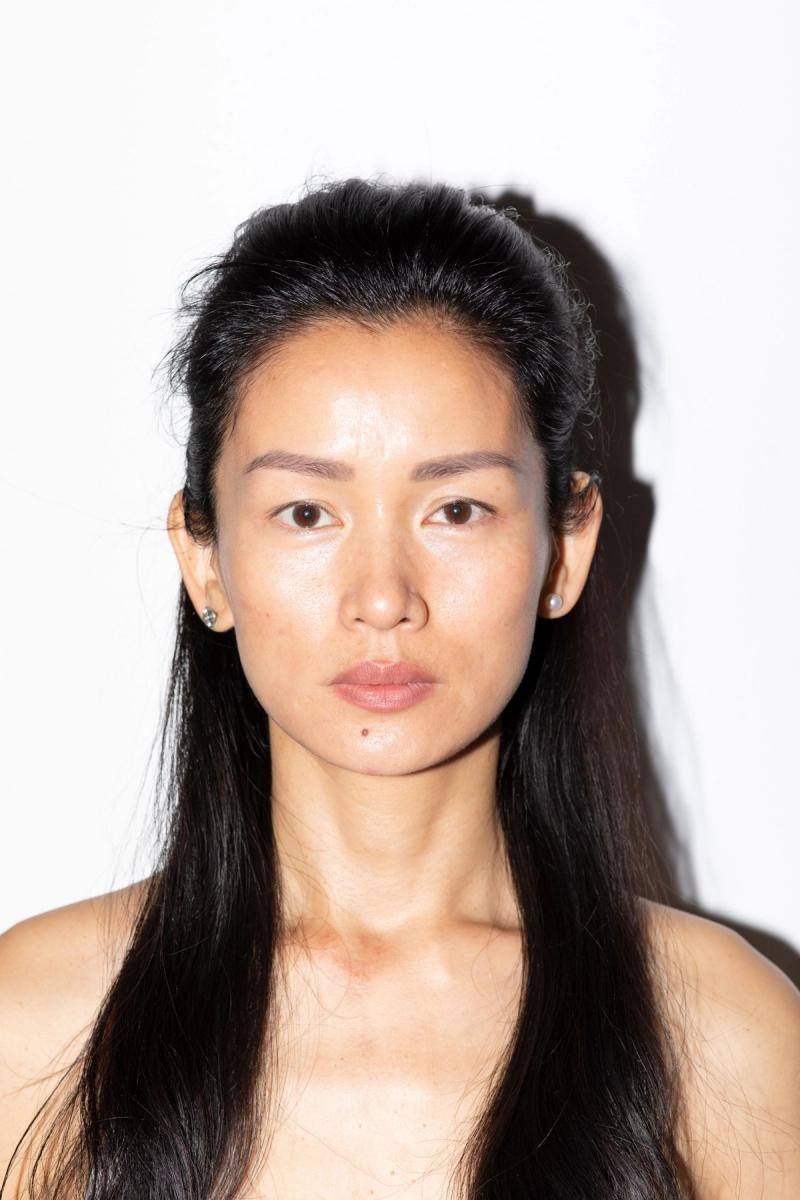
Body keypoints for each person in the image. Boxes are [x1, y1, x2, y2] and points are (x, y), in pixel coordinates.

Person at [1, 177, 798, 1199]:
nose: (382, 598)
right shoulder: (37, 1030)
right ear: (204, 560)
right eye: (306, 514)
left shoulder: (723, 1040)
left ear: (563, 550)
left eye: (456, 509)